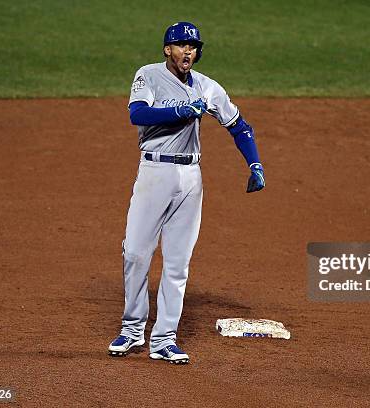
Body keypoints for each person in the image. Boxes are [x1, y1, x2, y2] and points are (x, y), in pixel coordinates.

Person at [107, 22, 265, 364]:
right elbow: (138, 114)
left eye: (193, 46)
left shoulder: (207, 87)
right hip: (154, 172)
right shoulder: (147, 75)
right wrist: (180, 111)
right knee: (135, 252)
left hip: (190, 178)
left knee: (177, 264)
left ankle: (164, 338)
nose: (188, 51)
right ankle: (133, 330)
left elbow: (239, 126)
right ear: (168, 50)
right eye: (180, 45)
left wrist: (254, 165)